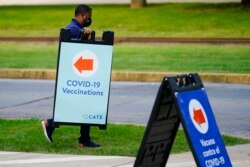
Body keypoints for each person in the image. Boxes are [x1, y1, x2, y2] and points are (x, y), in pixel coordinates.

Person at [41, 4, 100, 148]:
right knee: (83, 105)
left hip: (77, 75)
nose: (90, 19)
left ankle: (81, 139)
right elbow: (74, 51)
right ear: (84, 15)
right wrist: (84, 36)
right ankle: (53, 124)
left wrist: (85, 35)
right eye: (89, 16)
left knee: (81, 106)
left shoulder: (76, 28)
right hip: (77, 75)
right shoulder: (73, 29)